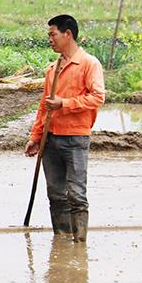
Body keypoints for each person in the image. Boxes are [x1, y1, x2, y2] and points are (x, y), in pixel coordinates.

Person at [25, 14, 105, 243]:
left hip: (76, 138)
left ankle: (79, 246)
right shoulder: (53, 69)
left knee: (76, 194)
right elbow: (44, 107)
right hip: (51, 140)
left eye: (53, 34)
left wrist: (65, 104)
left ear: (67, 34)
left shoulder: (89, 64)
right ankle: (61, 243)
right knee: (56, 194)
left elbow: (98, 97)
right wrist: (36, 136)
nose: (49, 39)